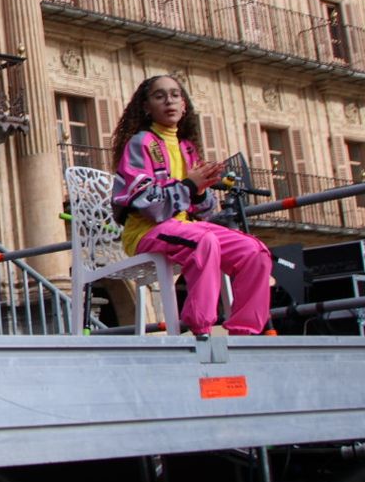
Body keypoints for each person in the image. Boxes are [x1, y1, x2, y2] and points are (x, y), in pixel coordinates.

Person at [109, 74, 274, 336]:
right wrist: (188, 186)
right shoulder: (142, 143)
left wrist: (199, 191)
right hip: (146, 232)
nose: (169, 101)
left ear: (184, 105)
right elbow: (146, 204)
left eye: (175, 95)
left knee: (254, 251)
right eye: (159, 96)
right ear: (146, 107)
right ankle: (201, 329)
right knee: (204, 241)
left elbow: (205, 211)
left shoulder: (187, 149)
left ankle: (245, 332)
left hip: (187, 229)